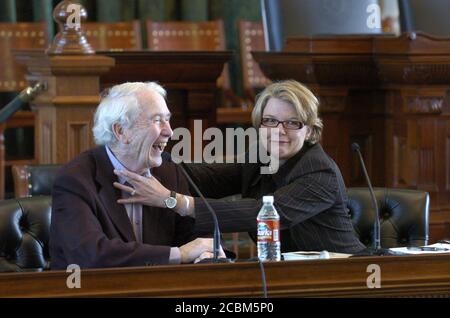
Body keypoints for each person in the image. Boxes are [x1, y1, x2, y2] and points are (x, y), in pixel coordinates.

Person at [114, 80, 366, 254]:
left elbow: (263, 215)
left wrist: (173, 200)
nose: (278, 132)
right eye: (270, 121)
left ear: (310, 130)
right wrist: (148, 154)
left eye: (292, 123)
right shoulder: (261, 157)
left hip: (342, 277)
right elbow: (204, 178)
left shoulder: (320, 173)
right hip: (289, 279)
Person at [50, 82, 224, 270]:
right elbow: (91, 254)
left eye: (167, 119)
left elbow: (195, 235)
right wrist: (179, 254)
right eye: (157, 120)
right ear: (121, 131)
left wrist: (206, 253)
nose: (169, 131)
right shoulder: (75, 179)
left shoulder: (169, 171)